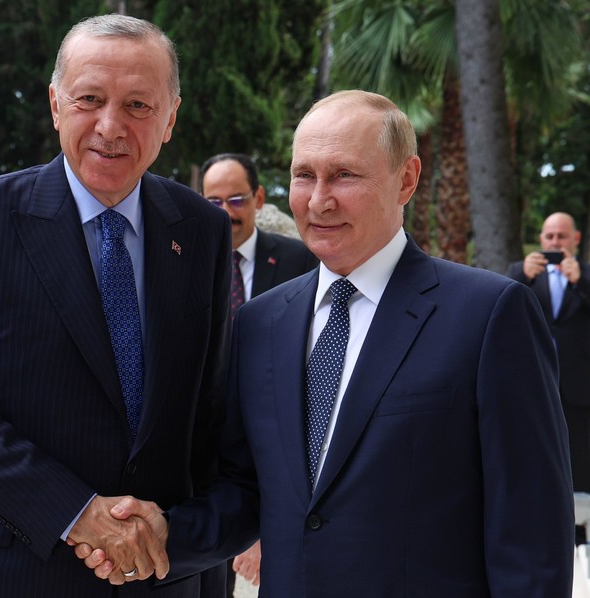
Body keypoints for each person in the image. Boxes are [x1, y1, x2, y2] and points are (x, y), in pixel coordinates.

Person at [83, 90, 575, 596]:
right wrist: (164, 534)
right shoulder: (258, 323)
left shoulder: (490, 314)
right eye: (304, 175)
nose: (319, 200)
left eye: (344, 175)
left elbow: (531, 527)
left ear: (406, 179)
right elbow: (248, 490)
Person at [0, 13, 232, 597]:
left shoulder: (201, 230)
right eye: (90, 99)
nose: (111, 126)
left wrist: (195, 556)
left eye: (138, 105)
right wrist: (78, 512)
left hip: (157, 577)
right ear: (56, 105)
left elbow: (208, 417)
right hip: (0, 576)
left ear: (171, 118)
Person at [200, 152, 317, 591]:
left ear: (258, 198)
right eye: (213, 202)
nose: (226, 213)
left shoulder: (298, 259)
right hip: (204, 451)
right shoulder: (184, 262)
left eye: (235, 200)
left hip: (271, 433)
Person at [506, 212, 590, 542]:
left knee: (580, 461)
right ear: (541, 239)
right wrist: (524, 278)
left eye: (562, 237)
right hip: (534, 386)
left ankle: (580, 535)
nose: (555, 243)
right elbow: (501, 310)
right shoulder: (519, 274)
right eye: (550, 237)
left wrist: (580, 280)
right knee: (536, 458)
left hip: (579, 391)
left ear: (576, 239)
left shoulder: (585, 275)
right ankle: (541, 529)